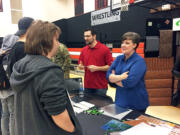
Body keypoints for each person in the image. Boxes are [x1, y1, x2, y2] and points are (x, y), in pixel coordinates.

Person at [10, 20, 82, 135]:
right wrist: (75, 131)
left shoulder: (20, 65)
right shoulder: (49, 71)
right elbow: (58, 115)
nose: (58, 44)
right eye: (57, 40)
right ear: (46, 41)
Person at [106, 32, 149, 112]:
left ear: (134, 45)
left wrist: (114, 78)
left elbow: (130, 82)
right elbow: (107, 76)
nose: (123, 45)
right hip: (120, 102)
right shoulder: (118, 59)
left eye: (127, 43)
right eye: (122, 43)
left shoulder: (139, 61)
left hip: (136, 104)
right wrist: (121, 77)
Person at [78, 28, 113, 96]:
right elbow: (80, 64)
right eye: (85, 36)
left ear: (94, 36)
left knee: (99, 106)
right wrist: (80, 66)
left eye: (88, 36)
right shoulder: (83, 50)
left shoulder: (105, 49)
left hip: (100, 87)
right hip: (87, 86)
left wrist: (97, 68)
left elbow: (110, 67)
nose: (85, 38)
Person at [0, 34, 19, 135]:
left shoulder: (1, 52)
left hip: (1, 89)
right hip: (9, 89)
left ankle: (4, 132)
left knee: (4, 113)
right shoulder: (8, 54)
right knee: (12, 114)